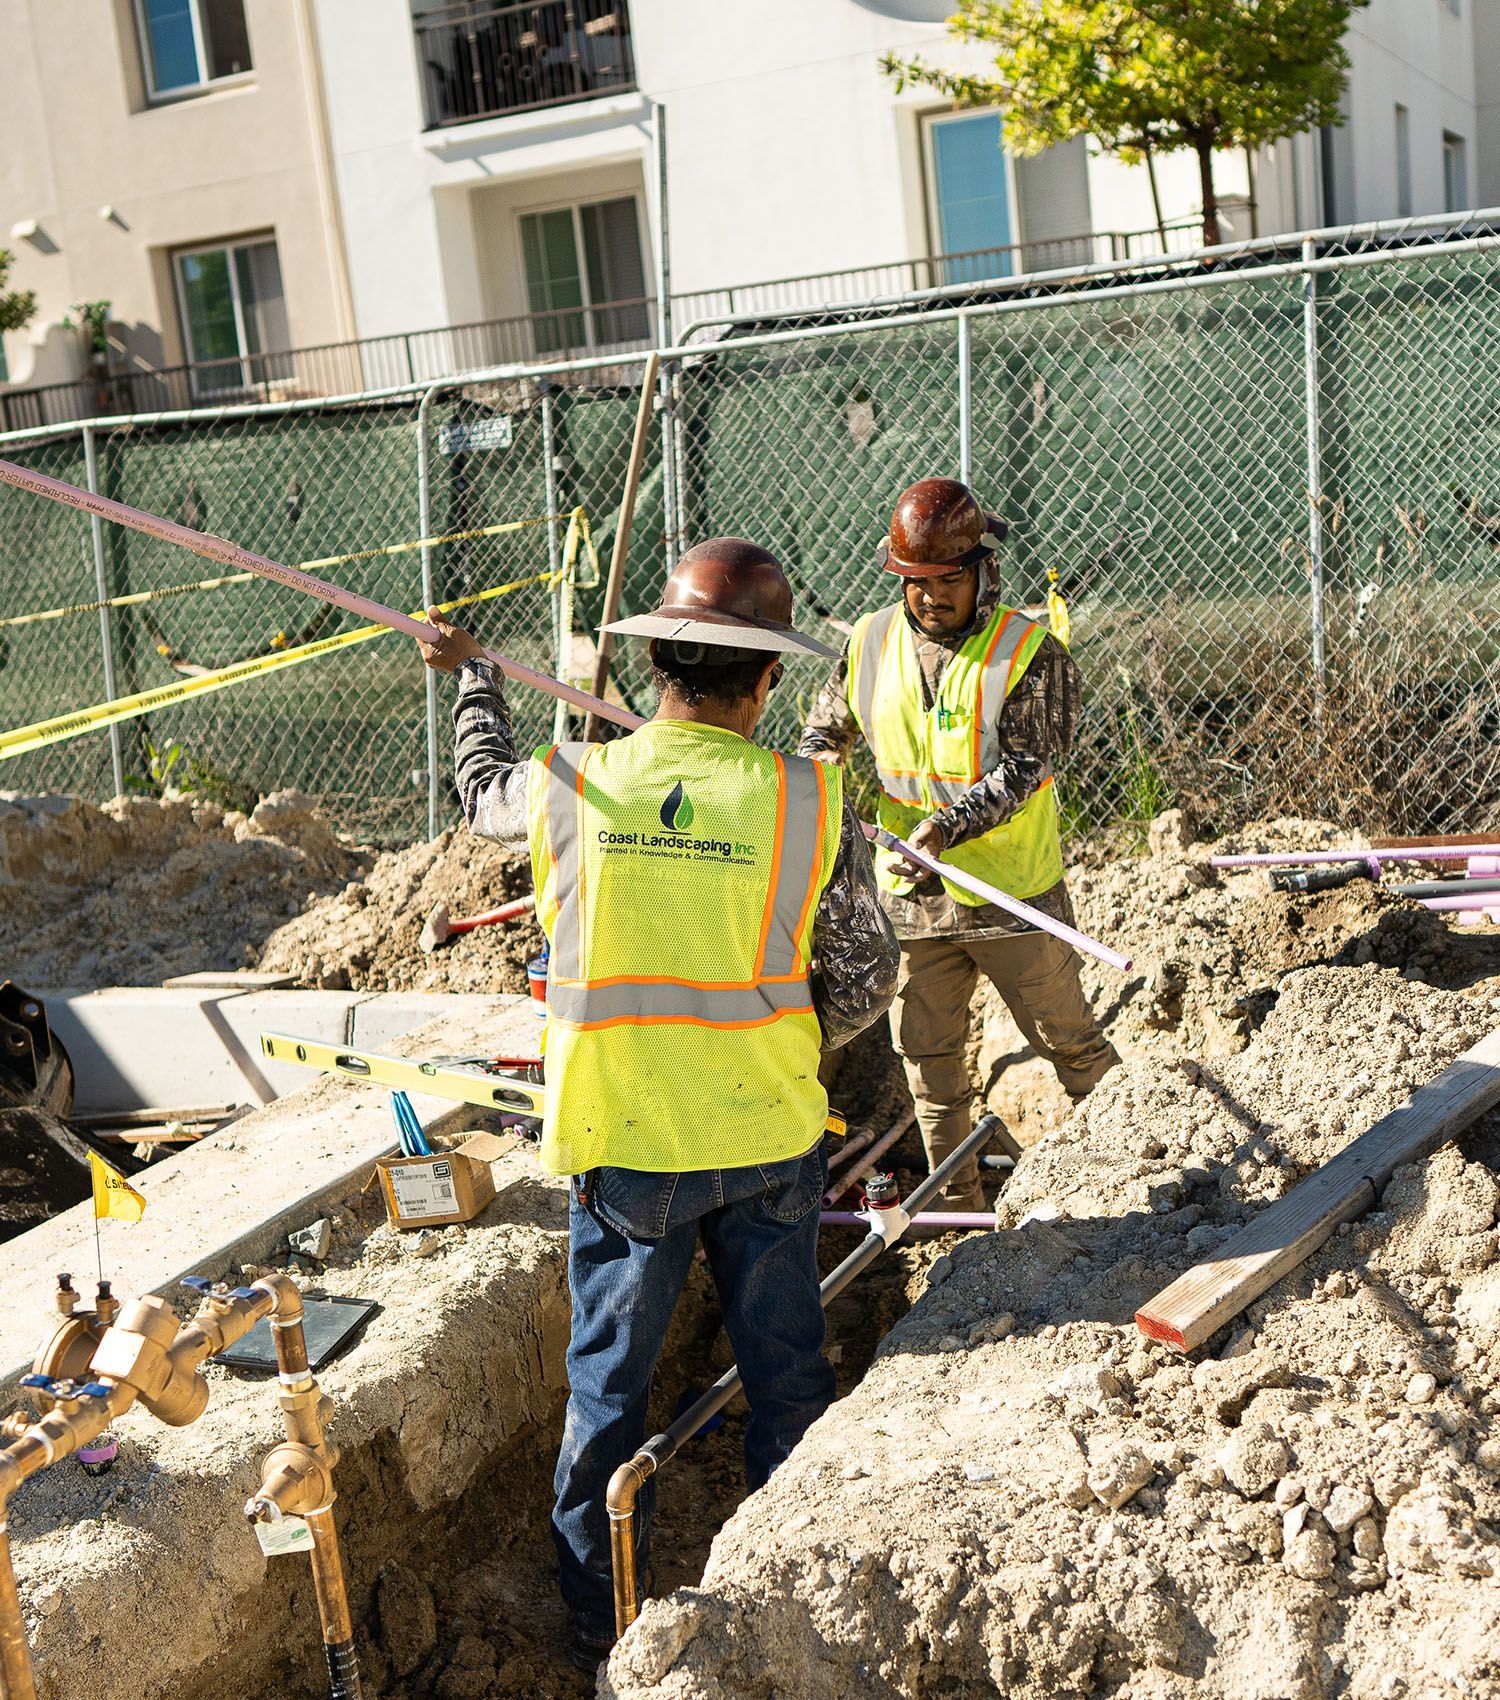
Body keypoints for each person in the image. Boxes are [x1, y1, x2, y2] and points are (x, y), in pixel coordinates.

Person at [416, 537, 898, 1670]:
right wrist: (784, 1042)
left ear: (652, 672)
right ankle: (797, 1604)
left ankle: (600, 1629)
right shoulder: (808, 800)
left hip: (627, 1143)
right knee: (787, 1371)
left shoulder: (571, 784)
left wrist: (474, 675)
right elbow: (870, 978)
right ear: (766, 679)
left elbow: (480, 789)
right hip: (770, 1135)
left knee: (607, 1393)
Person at [798, 476, 1118, 1215]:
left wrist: (946, 827)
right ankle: (956, 1215)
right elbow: (826, 735)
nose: (931, 596)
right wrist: (813, 783)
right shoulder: (869, 643)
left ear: (982, 571)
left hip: (1010, 894)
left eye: (948, 579)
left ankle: (1132, 1178)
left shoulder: (1030, 653)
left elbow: (1029, 765)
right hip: (912, 900)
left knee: (1069, 1043)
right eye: (916, 582)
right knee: (929, 1066)